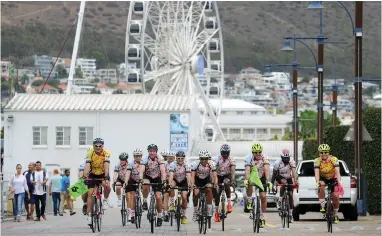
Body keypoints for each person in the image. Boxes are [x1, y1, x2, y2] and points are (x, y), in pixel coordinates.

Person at [83, 138, 111, 226]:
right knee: (90, 193)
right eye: (96, 146)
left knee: (107, 187)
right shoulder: (90, 153)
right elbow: (87, 165)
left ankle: (105, 200)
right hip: (93, 173)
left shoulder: (106, 152)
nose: (98, 147)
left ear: (103, 146)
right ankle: (89, 214)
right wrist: (85, 176)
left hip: (103, 173)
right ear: (93, 146)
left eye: (100, 146)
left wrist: (106, 178)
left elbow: (106, 166)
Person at [244, 143, 272, 228]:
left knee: (263, 196)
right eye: (256, 152)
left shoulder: (265, 158)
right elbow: (247, 170)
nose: (258, 154)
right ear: (253, 153)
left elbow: (267, 170)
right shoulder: (249, 158)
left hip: (262, 177)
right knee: (250, 183)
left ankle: (262, 217)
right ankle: (249, 200)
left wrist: (268, 181)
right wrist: (247, 180)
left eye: (259, 152)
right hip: (252, 176)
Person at [139, 144, 166, 227]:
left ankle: (160, 216)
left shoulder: (160, 158)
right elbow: (142, 169)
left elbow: (162, 170)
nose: (152, 152)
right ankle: (144, 201)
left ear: (156, 152)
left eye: (154, 151)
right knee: (145, 184)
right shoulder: (145, 158)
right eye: (150, 151)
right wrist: (140, 178)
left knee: (158, 197)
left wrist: (164, 180)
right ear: (148, 152)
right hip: (148, 176)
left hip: (157, 177)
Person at [314, 144, 342, 224]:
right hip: (323, 178)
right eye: (321, 152)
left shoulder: (334, 159)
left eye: (325, 152)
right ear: (319, 153)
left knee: (335, 196)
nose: (323, 154)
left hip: (333, 177)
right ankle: (322, 205)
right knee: (321, 184)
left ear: (328, 152)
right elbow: (316, 173)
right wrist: (317, 182)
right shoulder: (317, 161)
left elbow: (337, 172)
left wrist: (339, 182)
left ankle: (336, 214)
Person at [271, 149, 298, 223]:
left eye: (287, 158)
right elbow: (274, 174)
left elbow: (294, 172)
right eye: (284, 158)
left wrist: (295, 181)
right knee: (284, 183)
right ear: (281, 157)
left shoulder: (291, 162)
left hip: (288, 178)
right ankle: (280, 200)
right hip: (279, 177)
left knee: (290, 195)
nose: (286, 159)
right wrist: (272, 184)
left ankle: (290, 213)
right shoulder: (277, 163)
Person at [190, 149, 218, 221]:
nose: (204, 161)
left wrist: (215, 184)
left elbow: (215, 176)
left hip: (206, 179)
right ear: (199, 158)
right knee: (196, 193)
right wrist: (192, 184)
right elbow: (192, 176)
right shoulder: (195, 164)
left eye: (206, 159)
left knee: (209, 189)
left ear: (208, 158)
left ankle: (209, 209)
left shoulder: (211, 163)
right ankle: (195, 212)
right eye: (202, 159)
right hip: (198, 180)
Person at [212, 144, 236, 222]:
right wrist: (214, 182)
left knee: (227, 183)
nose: (225, 155)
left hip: (226, 175)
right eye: (223, 153)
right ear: (220, 152)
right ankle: (216, 213)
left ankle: (229, 203)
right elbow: (213, 171)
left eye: (227, 153)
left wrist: (232, 180)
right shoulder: (216, 159)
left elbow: (232, 170)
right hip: (218, 175)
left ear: (229, 153)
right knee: (217, 194)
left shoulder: (231, 159)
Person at [168, 150, 191, 224]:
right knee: (171, 186)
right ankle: (171, 204)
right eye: (178, 158)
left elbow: (188, 175)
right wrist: (169, 184)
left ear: (184, 158)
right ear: (176, 158)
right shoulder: (172, 164)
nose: (180, 160)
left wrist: (190, 184)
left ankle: (184, 215)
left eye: (182, 158)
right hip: (175, 179)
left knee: (184, 197)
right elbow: (171, 175)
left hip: (183, 181)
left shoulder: (186, 164)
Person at [123, 148, 143, 224]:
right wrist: (125, 181)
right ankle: (131, 214)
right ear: (134, 157)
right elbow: (128, 173)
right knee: (131, 196)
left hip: (140, 181)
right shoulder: (131, 164)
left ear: (141, 156)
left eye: (139, 156)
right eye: (136, 156)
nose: (138, 157)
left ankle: (143, 203)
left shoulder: (144, 163)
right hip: (132, 180)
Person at [163, 150, 176, 222]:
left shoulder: (176, 164)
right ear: (167, 157)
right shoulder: (165, 164)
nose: (170, 159)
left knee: (171, 187)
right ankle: (165, 213)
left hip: (174, 180)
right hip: (166, 179)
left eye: (172, 158)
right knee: (165, 195)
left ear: (174, 158)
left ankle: (172, 204)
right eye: (169, 158)